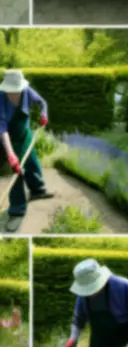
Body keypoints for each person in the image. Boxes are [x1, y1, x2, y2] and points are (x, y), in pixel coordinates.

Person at [0, 69, 52, 232]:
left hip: (25, 134)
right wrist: (11, 155)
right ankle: (17, 210)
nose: (14, 94)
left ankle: (37, 190)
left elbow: (42, 103)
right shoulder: (0, 99)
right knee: (16, 173)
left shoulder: (27, 91)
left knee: (32, 162)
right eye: (11, 91)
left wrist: (44, 114)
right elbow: (2, 129)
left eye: (16, 91)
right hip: (9, 139)